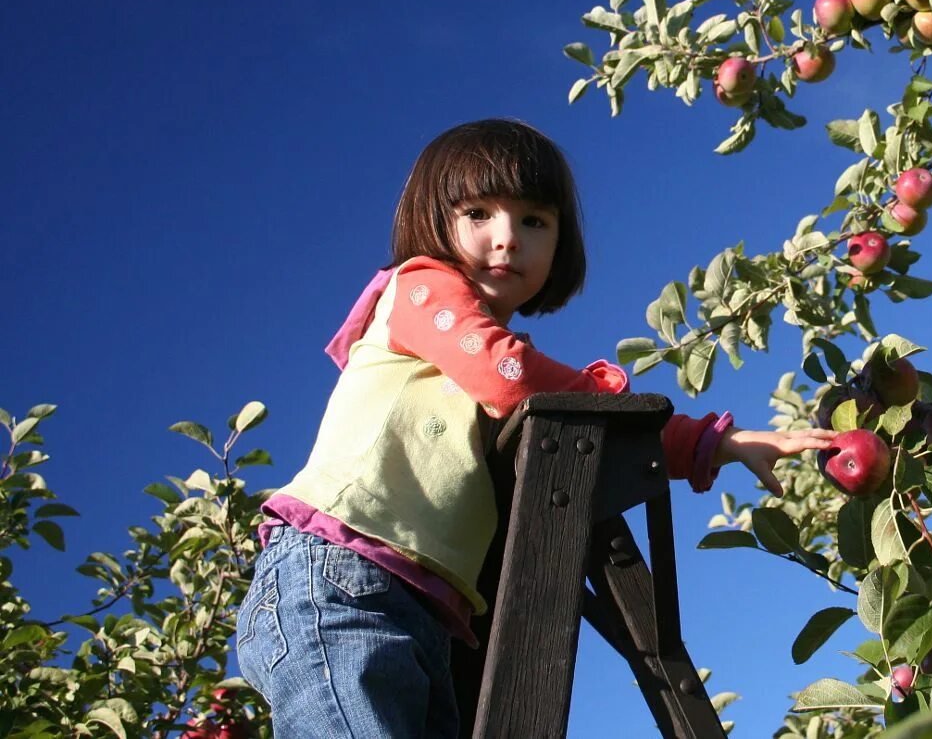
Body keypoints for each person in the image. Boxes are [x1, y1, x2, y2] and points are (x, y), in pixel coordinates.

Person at [235, 118, 837, 737]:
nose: (506, 240)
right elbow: (507, 374)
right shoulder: (420, 288)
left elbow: (585, 429)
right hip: (337, 574)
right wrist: (617, 403)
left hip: (421, 608)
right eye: (477, 214)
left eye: (533, 221)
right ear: (432, 223)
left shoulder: (497, 357)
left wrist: (717, 443)